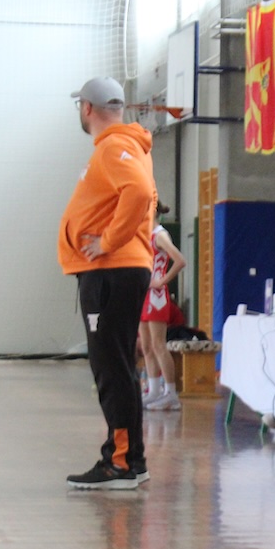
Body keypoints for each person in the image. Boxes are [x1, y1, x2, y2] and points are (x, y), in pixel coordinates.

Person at [59, 76, 157, 490]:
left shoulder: (115, 146)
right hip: (116, 270)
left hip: (112, 270)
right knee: (117, 366)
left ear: (86, 108)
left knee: (111, 367)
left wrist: (109, 241)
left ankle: (120, 463)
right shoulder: (124, 146)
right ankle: (130, 459)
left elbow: (140, 192)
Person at [140, 203, 187, 412]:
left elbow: (180, 260)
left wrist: (162, 281)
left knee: (159, 345)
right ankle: (154, 390)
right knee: (147, 346)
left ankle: (171, 393)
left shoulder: (160, 235)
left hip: (156, 296)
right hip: (143, 294)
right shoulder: (145, 234)